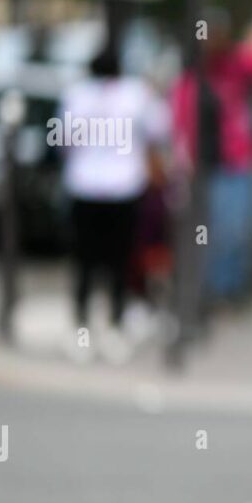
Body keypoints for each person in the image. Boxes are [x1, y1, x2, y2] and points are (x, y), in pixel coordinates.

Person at [169, 9, 252, 304]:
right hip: (203, 168)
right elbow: (180, 124)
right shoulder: (190, 81)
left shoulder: (235, 67)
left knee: (238, 229)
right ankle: (210, 289)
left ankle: (228, 288)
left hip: (238, 162)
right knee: (212, 232)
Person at [60, 48, 171, 363]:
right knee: (120, 261)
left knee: (84, 262)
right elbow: (159, 130)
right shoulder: (136, 94)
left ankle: (81, 331)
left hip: (85, 187)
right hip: (123, 188)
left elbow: (64, 141)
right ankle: (115, 328)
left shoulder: (77, 95)